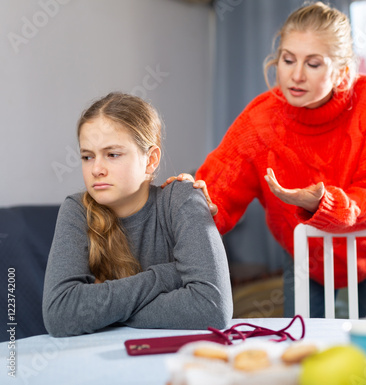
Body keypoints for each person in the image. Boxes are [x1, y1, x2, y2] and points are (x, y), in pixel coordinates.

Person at [164, 2, 366, 318]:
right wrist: (194, 200)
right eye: (288, 59)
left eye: (313, 64)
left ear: (342, 72)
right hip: (307, 251)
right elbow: (217, 190)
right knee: (302, 343)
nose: (296, 75)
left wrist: (324, 202)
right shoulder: (260, 120)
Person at [42, 92, 233, 337]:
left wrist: (103, 314)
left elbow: (212, 307)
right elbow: (60, 314)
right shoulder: (77, 210)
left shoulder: (182, 199)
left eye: (112, 154)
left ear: (151, 160)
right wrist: (168, 275)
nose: (97, 169)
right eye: (87, 156)